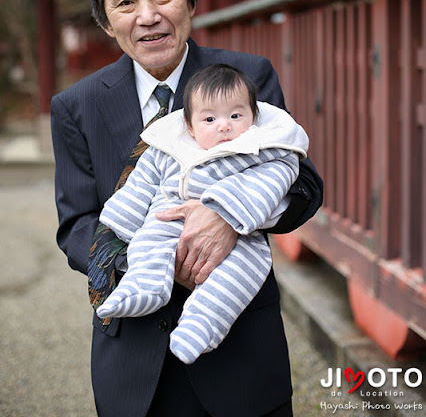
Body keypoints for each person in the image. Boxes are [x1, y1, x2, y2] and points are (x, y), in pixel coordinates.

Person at [51, 0, 323, 417]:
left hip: (239, 342)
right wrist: (153, 264)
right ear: (105, 20)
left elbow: (303, 183)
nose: (148, 15)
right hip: (133, 359)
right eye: (125, 1)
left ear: (191, 0)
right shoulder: (77, 106)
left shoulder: (246, 76)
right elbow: (75, 224)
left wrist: (229, 215)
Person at [96, 64, 309, 365]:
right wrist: (122, 219)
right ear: (190, 126)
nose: (224, 126)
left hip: (239, 235)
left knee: (238, 276)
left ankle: (202, 326)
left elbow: (274, 182)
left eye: (236, 116)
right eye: (210, 119)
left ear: (253, 116)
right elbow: (142, 181)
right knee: (148, 240)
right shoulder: (170, 146)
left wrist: (224, 211)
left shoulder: (263, 149)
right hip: (170, 216)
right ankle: (142, 286)